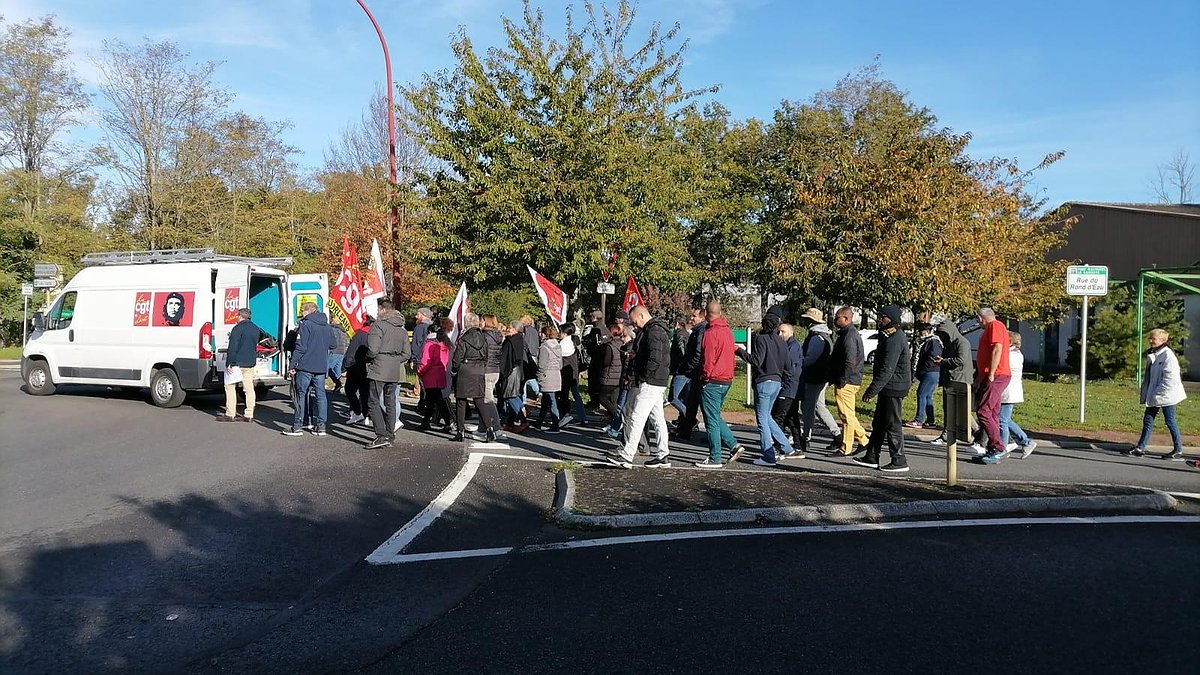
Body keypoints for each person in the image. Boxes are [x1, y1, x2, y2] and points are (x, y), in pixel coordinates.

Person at [605, 305, 673, 469]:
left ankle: (627, 456)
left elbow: (654, 358)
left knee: (636, 416)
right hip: (657, 380)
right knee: (657, 419)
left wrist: (643, 376)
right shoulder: (654, 330)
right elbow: (652, 354)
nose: (634, 324)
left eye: (634, 320)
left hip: (651, 380)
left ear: (641, 316)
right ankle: (663, 454)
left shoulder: (654, 331)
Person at [854, 304, 913, 473]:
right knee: (879, 423)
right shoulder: (888, 335)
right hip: (889, 386)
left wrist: (872, 390)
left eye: (883, 317)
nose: (880, 320)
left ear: (892, 319)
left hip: (894, 387)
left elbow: (888, 369)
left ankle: (899, 459)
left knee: (893, 424)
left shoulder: (895, 338)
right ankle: (872, 456)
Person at [737, 307, 798, 467]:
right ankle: (786, 447)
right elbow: (788, 367)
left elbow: (756, 360)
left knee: (762, 419)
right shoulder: (782, 342)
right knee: (767, 416)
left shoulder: (761, 338)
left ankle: (768, 455)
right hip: (777, 383)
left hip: (764, 381)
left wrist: (739, 351)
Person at [694, 301, 747, 469]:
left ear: (706, 314)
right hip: (727, 379)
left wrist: (705, 377)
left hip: (713, 380)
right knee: (715, 415)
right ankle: (733, 445)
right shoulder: (727, 331)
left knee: (711, 420)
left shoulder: (710, 333)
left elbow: (708, 359)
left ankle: (715, 456)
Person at [1126, 328, 1187, 460]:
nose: (1150, 340)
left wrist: (1159, 394)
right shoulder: (1156, 354)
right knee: (1148, 419)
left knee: (1170, 421)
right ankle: (1140, 447)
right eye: (1150, 338)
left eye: (1153, 338)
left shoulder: (1168, 356)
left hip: (1166, 395)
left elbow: (1170, 379)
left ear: (1162, 340)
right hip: (1155, 394)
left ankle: (1178, 449)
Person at [282, 301, 336, 437]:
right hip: (321, 366)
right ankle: (321, 426)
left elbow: (301, 347)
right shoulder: (327, 326)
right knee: (321, 396)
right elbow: (333, 345)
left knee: (301, 394)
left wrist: (292, 365)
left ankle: (298, 425)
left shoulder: (306, 325)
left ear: (307, 311)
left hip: (306, 365)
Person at [363, 300, 410, 449]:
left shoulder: (378, 325)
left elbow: (373, 349)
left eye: (378, 309)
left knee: (373, 401)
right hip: (394, 368)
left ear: (383, 310)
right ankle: (389, 434)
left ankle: (381, 435)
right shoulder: (401, 329)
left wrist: (369, 359)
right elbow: (406, 354)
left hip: (379, 367)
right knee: (390, 402)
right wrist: (395, 360)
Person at [453, 313, 502, 443]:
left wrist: (455, 369)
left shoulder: (464, 338)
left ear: (467, 323)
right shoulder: (483, 337)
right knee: (480, 401)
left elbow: (457, 358)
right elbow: (486, 356)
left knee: (461, 401)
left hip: (466, 369)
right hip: (479, 369)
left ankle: (460, 431)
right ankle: (490, 429)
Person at [828, 306, 869, 456]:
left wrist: (842, 380)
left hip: (847, 381)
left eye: (837, 317)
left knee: (846, 415)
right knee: (847, 414)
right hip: (850, 380)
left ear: (846, 318)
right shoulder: (848, 334)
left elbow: (850, 361)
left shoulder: (849, 336)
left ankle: (847, 446)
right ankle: (863, 440)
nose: (834, 320)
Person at [797, 308, 841, 446]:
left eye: (806, 319)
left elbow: (809, 358)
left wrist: (798, 363)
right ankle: (836, 433)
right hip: (821, 377)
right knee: (819, 407)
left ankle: (806, 437)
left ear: (812, 321)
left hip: (814, 377)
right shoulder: (823, 335)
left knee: (808, 408)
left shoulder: (817, 337)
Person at [974, 307, 1012, 463]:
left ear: (981, 317)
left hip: (997, 375)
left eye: (977, 319)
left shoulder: (995, 326)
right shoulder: (992, 328)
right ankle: (993, 448)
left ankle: (998, 447)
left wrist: (991, 373)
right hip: (991, 375)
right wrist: (979, 378)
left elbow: (997, 348)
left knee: (984, 411)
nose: (977, 322)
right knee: (992, 412)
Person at [929, 319, 974, 445]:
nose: (942, 337)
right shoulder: (949, 343)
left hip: (960, 381)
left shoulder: (962, 343)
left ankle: (975, 431)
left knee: (960, 410)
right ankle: (947, 433)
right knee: (949, 408)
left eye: (944, 334)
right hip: (950, 380)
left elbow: (960, 360)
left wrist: (943, 361)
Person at [998, 331, 1038, 460]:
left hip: (1008, 391)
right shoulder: (1013, 354)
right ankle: (1025, 441)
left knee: (1002, 420)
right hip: (1007, 390)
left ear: (1010, 342)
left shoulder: (1012, 355)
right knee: (1005, 419)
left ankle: (1003, 448)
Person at [216, 307, 260, 423]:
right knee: (249, 388)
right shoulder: (256, 328)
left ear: (240, 316)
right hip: (250, 362)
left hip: (237, 362)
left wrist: (229, 362)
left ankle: (230, 414)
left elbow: (233, 347)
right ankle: (249, 414)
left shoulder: (237, 328)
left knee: (230, 387)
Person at [672, 307, 708, 440]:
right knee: (689, 401)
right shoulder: (695, 332)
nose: (691, 318)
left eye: (694, 316)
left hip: (688, 371)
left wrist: (686, 367)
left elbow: (695, 354)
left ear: (702, 317)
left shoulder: (697, 332)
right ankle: (684, 430)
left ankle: (690, 422)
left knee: (675, 398)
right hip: (690, 372)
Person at [417, 322, 454, 432]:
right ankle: (427, 421)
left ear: (429, 332)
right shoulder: (445, 344)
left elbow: (425, 362)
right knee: (433, 400)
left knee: (435, 400)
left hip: (430, 375)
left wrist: (420, 371)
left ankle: (448, 421)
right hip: (440, 374)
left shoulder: (429, 344)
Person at [905, 322, 942, 430]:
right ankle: (930, 421)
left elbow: (933, 357)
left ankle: (918, 420)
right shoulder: (929, 341)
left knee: (921, 394)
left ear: (928, 331)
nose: (920, 333)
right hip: (932, 372)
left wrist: (922, 369)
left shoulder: (933, 341)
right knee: (927, 396)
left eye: (922, 331)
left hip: (930, 372)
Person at [774, 322, 805, 449]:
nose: (780, 334)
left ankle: (782, 446)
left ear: (791, 333)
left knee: (778, 418)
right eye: (778, 332)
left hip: (788, 387)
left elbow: (789, 368)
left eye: (783, 332)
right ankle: (799, 445)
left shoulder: (792, 347)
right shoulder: (787, 345)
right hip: (791, 386)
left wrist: (783, 382)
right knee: (791, 417)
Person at [341, 315, 373, 425]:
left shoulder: (359, 335)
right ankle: (366, 415)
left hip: (355, 367)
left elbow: (351, 352)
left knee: (349, 389)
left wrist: (344, 367)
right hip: (370, 367)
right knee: (365, 392)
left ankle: (358, 412)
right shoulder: (376, 336)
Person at [594, 323, 625, 435]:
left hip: (609, 375)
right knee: (615, 401)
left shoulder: (609, 345)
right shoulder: (622, 344)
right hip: (619, 375)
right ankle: (614, 423)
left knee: (603, 398)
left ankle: (618, 418)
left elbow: (606, 361)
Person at [500, 320, 530, 432]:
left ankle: (523, 420)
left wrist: (502, 371)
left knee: (510, 396)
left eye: (510, 328)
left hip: (511, 370)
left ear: (515, 329)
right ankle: (510, 422)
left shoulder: (511, 341)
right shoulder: (520, 340)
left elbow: (505, 358)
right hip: (518, 370)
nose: (508, 330)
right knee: (515, 395)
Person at [557, 323, 588, 427]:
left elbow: (559, 356)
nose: (559, 333)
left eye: (560, 331)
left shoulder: (564, 344)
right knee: (576, 395)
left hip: (565, 373)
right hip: (574, 372)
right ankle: (582, 416)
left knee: (563, 396)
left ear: (565, 333)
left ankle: (564, 416)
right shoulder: (574, 341)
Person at [535, 325, 564, 432]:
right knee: (547, 400)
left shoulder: (544, 347)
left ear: (545, 334)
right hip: (556, 374)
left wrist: (539, 376)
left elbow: (541, 365)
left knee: (551, 400)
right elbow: (560, 363)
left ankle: (555, 424)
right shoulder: (558, 346)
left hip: (547, 375)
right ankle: (540, 421)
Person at [582, 310, 609, 408]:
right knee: (599, 381)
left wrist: (588, 347)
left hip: (595, 360)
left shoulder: (595, 330)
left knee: (593, 381)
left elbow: (592, 346)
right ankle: (599, 400)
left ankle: (594, 401)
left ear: (594, 318)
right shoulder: (606, 329)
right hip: (604, 359)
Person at [410, 308, 434, 412]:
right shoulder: (432, 327)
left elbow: (416, 344)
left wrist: (413, 358)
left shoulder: (420, 327)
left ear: (423, 315)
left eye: (418, 314)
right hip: (430, 359)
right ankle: (426, 404)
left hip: (420, 359)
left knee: (422, 383)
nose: (416, 316)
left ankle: (424, 404)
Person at [668, 317, 691, 417]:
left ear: (677, 323)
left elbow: (681, 351)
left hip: (680, 370)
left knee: (673, 398)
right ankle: (683, 421)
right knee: (683, 398)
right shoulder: (688, 334)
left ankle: (690, 417)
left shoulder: (679, 334)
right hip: (687, 371)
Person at [520, 314, 541, 402]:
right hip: (534, 353)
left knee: (525, 376)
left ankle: (524, 398)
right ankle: (539, 392)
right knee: (532, 374)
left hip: (527, 354)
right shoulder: (534, 330)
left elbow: (525, 343)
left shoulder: (525, 330)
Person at [328, 321, 349, 393]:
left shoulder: (333, 329)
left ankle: (338, 383)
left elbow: (331, 341)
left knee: (327, 368)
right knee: (338, 371)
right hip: (342, 352)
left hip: (334, 351)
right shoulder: (343, 331)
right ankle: (339, 385)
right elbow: (346, 343)